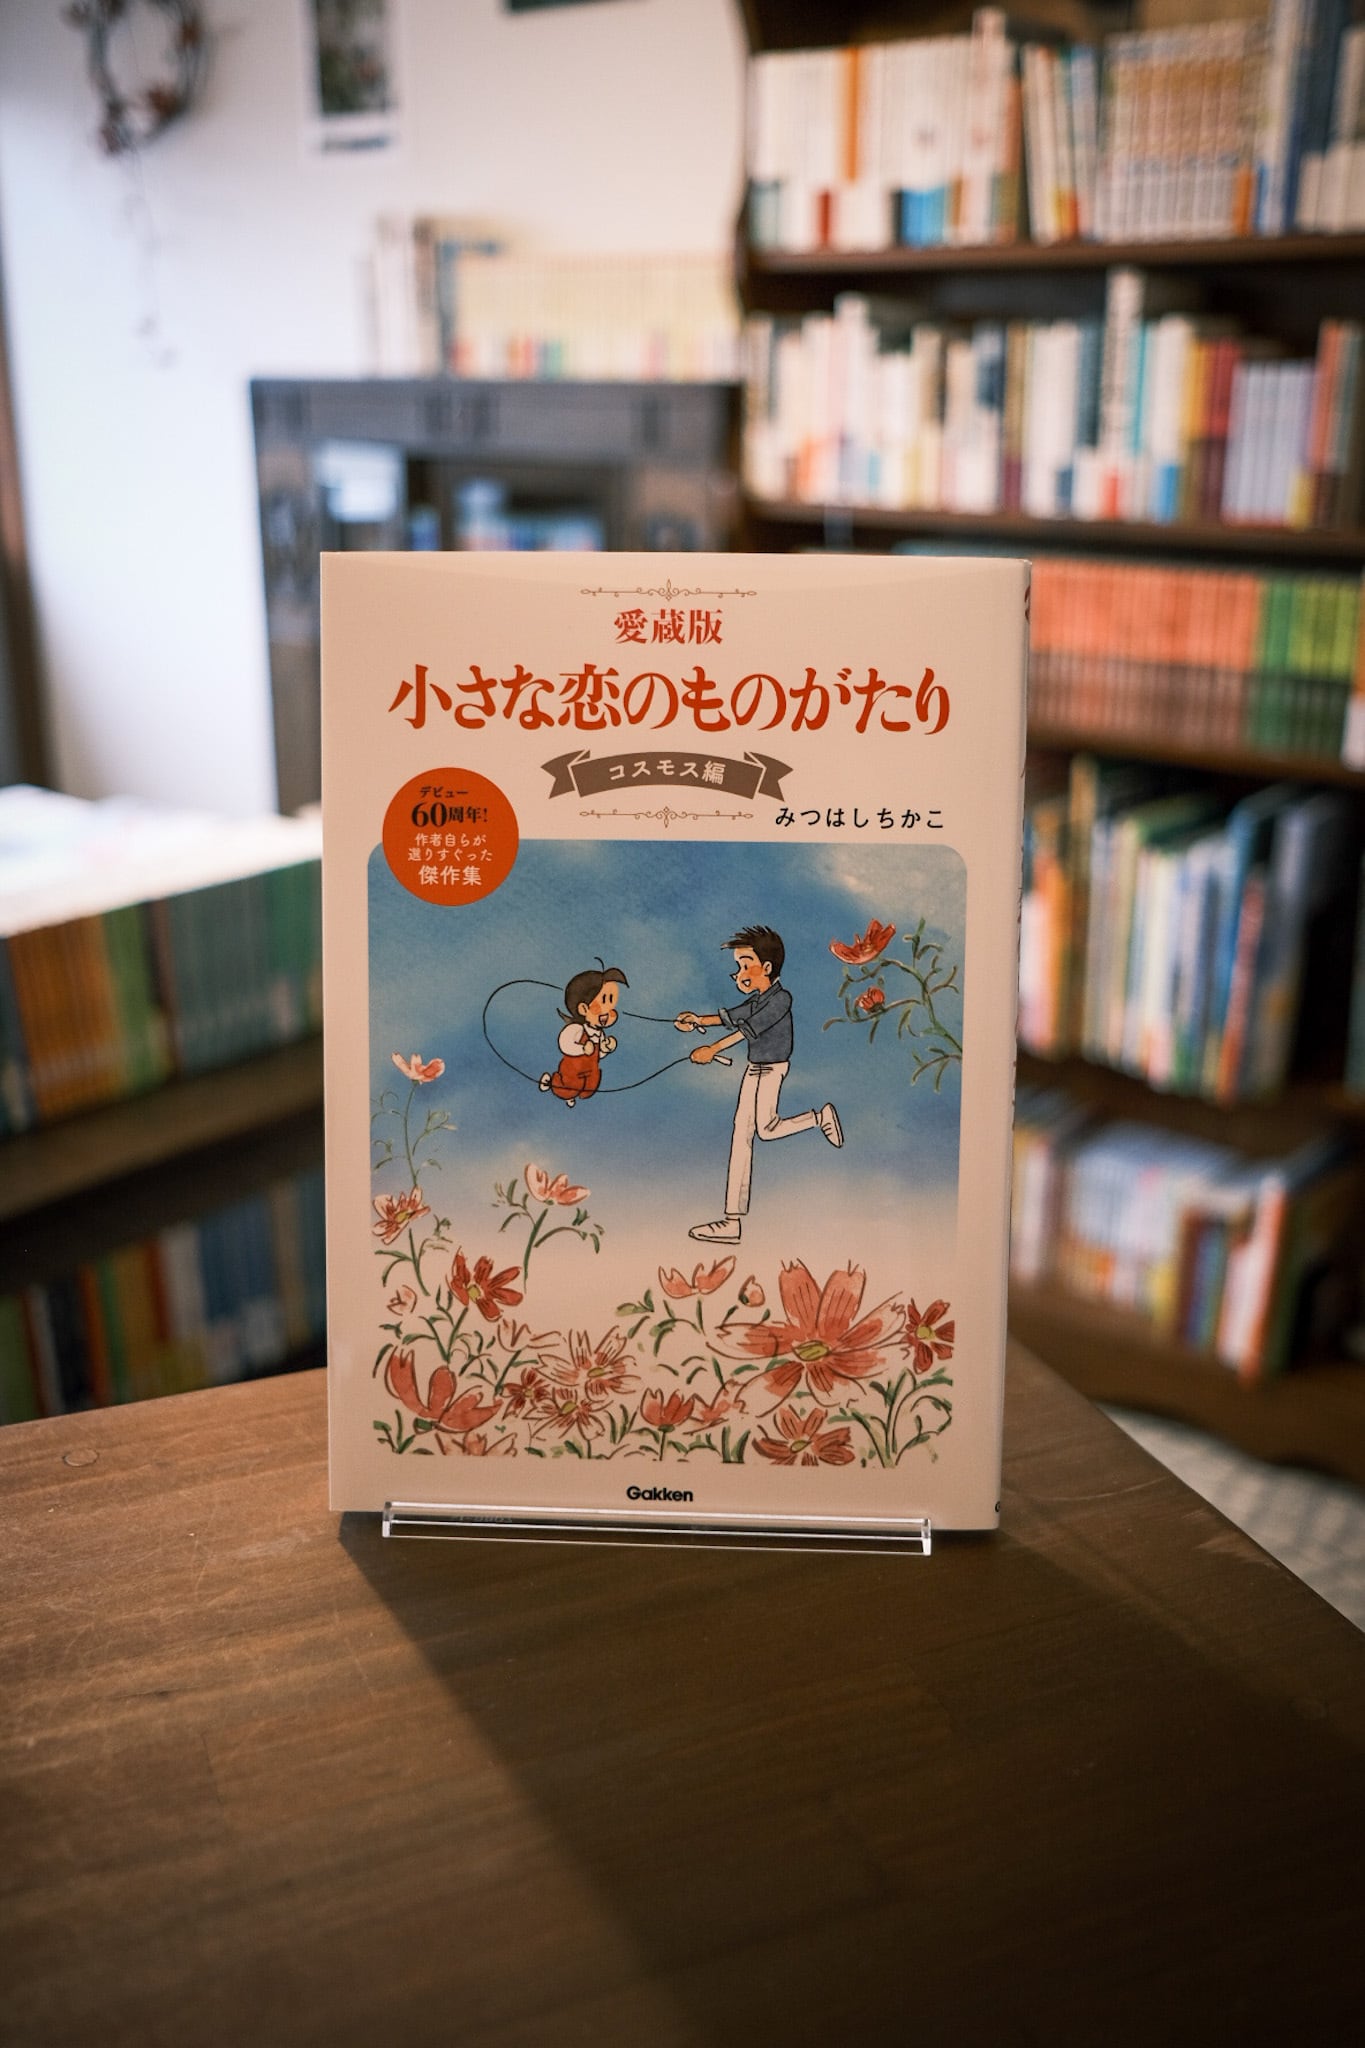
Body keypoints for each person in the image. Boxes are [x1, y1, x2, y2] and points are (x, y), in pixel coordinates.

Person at [675, 925, 841, 1242]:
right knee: (742, 1134)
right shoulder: (758, 1000)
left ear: (766, 967)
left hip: (772, 1069)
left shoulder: (781, 1000)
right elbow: (732, 1016)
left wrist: (712, 1050)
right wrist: (698, 1020)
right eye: (738, 967)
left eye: (744, 965)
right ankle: (731, 1221)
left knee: (766, 1129)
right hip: (754, 1069)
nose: (738, 973)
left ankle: (818, 1118)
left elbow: (747, 1029)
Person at [541, 962, 627, 1106]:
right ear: (583, 1009)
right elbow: (564, 1044)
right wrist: (582, 1048)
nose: (608, 1013)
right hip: (573, 1071)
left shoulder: (599, 1033)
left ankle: (575, 1094)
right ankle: (550, 1083)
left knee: (589, 1089)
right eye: (603, 1003)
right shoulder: (576, 1029)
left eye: (611, 1006)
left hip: (591, 1071)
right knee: (567, 1087)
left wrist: (605, 1049)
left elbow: (597, 1054)